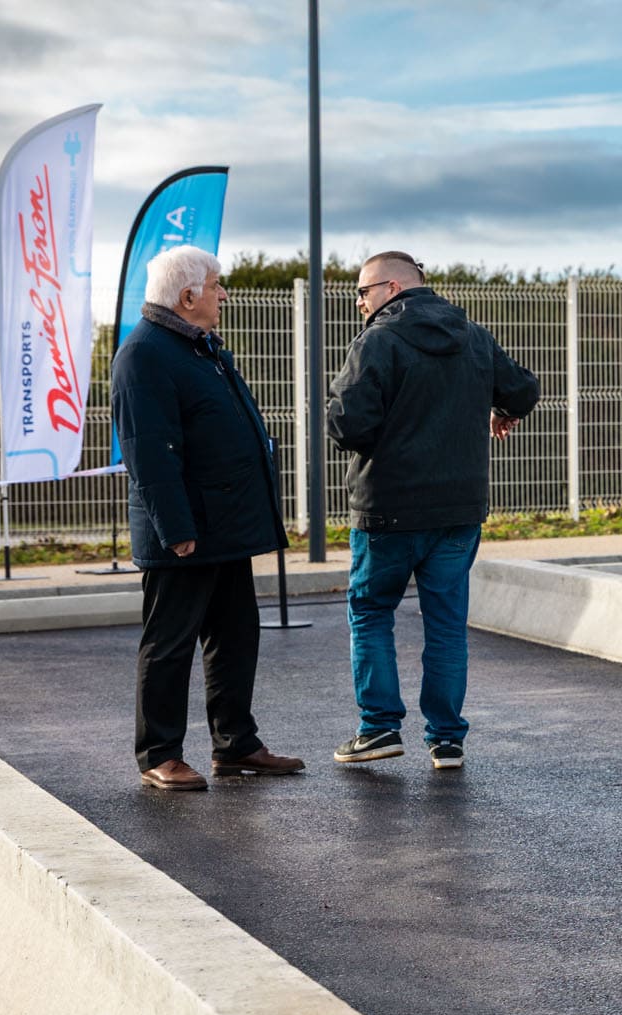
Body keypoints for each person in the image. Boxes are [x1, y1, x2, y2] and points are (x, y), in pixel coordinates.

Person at [327, 251, 539, 770]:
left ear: (392, 287)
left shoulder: (377, 340)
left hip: (387, 511)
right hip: (457, 511)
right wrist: (503, 410)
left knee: (372, 612)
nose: (359, 303)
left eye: (363, 291)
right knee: (446, 624)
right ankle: (446, 739)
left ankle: (378, 729)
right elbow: (524, 389)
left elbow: (346, 425)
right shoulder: (472, 335)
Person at [111, 246, 305, 790]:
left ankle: (235, 744)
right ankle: (159, 753)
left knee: (236, 636)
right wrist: (177, 531)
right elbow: (148, 452)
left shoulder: (199, 348)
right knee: (170, 643)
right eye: (217, 285)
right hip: (187, 534)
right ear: (188, 295)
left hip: (227, 529)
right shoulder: (145, 355)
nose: (223, 294)